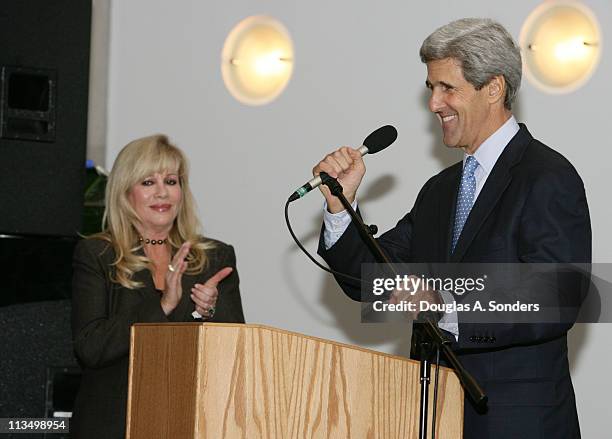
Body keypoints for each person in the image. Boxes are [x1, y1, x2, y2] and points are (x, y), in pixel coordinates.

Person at [314, 18, 590, 439]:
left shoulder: (547, 175)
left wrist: (446, 304)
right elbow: (369, 280)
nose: (433, 104)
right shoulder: (439, 192)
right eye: (431, 89)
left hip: (518, 425)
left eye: (448, 88)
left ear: (494, 88)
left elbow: (556, 295)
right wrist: (341, 205)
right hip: (436, 419)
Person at [71, 134, 245, 439]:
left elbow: (234, 354)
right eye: (148, 182)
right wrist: (161, 305)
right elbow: (91, 348)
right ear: (126, 193)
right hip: (114, 424)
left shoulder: (214, 257)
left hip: (190, 422)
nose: (162, 192)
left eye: (171, 181)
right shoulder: (99, 254)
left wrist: (207, 312)